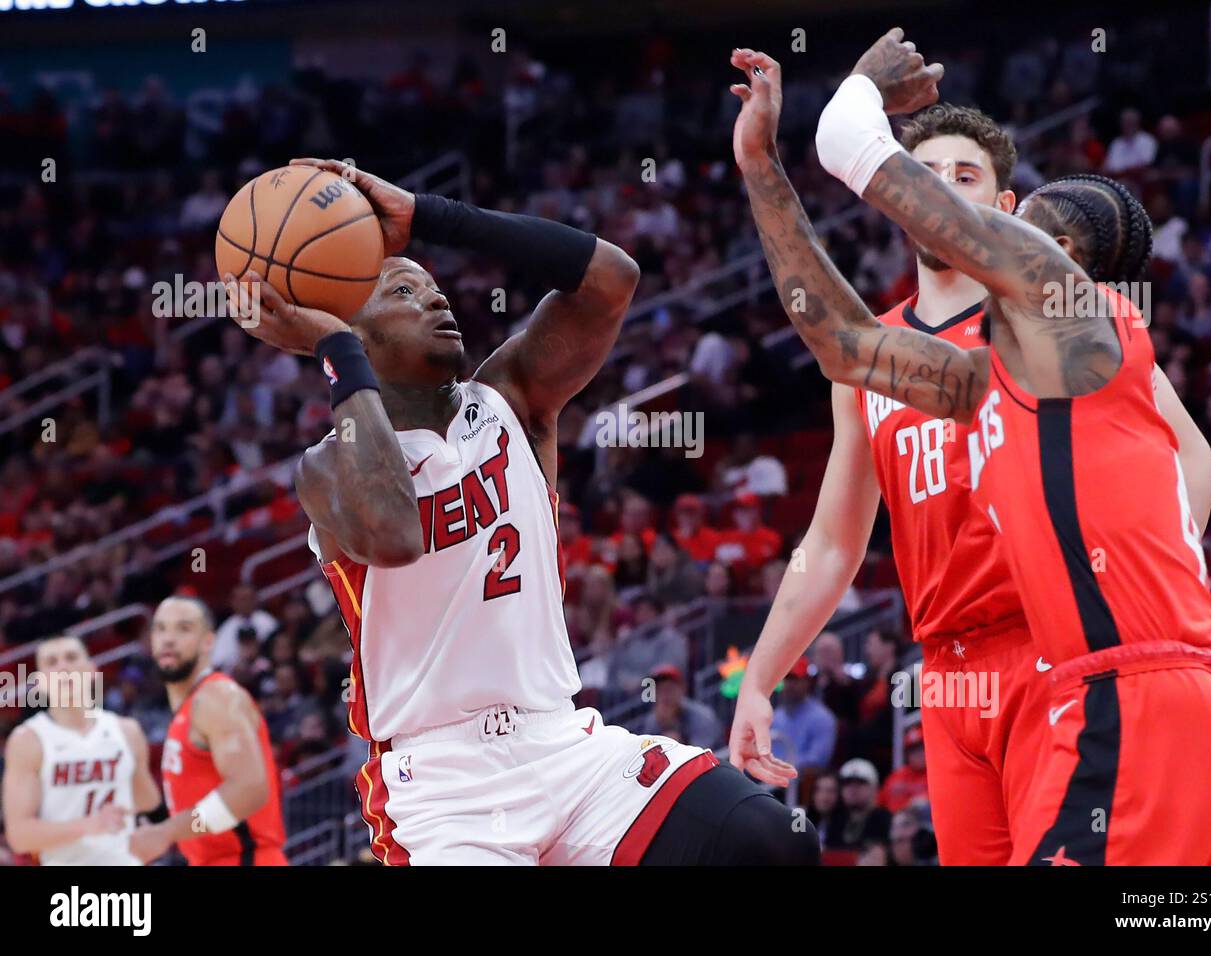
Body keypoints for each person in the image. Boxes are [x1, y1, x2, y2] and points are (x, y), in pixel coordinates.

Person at [729, 32, 1211, 864]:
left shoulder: (1079, 324)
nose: (959, 215)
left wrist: (866, 82)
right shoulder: (993, 376)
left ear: (1043, 247)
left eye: (979, 198)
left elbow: (847, 140)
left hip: (1122, 680)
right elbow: (842, 342)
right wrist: (762, 167)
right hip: (1062, 681)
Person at [227, 156, 818, 866]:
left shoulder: (509, 396)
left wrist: (429, 215)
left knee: (766, 840)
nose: (437, 300)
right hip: (442, 783)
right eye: (404, 290)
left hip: (564, 743)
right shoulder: (328, 464)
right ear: (353, 333)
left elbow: (610, 279)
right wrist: (335, 348)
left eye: (436, 286)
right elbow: (392, 532)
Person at [129, 595, 288, 866]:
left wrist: (165, 832)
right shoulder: (189, 707)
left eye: (184, 628)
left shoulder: (216, 696)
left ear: (208, 642)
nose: (168, 638)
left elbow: (249, 789)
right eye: (161, 628)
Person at [2, 635, 160, 865]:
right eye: (52, 662)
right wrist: (89, 825)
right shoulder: (29, 740)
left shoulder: (127, 731)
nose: (63, 666)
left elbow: (148, 799)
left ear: (92, 671)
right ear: (39, 682)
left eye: (72, 657)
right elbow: (19, 836)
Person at [631, 664, 723, 750]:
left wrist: (678, 743)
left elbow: (704, 755)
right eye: (659, 690)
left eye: (669, 689)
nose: (665, 695)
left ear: (682, 688)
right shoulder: (653, 720)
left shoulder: (702, 716)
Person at [769, 658, 836, 772]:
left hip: (804, 784)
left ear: (807, 682)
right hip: (769, 782)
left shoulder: (822, 718)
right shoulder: (773, 717)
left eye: (795, 679)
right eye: (786, 679)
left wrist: (781, 768)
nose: (790, 685)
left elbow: (817, 761)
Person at [824, 758, 891, 849]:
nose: (853, 788)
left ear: (875, 788)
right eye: (847, 783)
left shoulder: (887, 821)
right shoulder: (835, 821)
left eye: (860, 783)